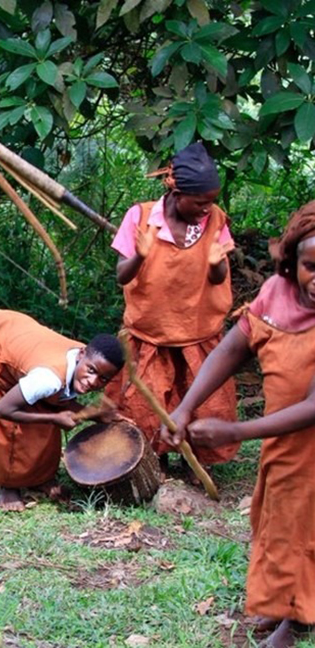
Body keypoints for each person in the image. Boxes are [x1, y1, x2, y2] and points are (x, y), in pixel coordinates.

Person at [162, 201, 315, 648]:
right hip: (284, 442)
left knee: (303, 522)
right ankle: (289, 605)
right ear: (292, 262)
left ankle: (296, 618)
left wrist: (235, 432)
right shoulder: (274, 294)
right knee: (276, 516)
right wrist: (186, 407)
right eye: (310, 266)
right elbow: (232, 349)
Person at [105, 142, 238, 474]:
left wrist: (216, 264)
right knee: (144, 407)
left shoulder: (215, 220)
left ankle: (195, 464)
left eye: (211, 200)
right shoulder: (140, 217)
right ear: (177, 193)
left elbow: (219, 275)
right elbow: (123, 275)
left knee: (206, 402)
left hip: (199, 331)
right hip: (152, 331)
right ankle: (155, 461)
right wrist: (140, 255)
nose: (207, 208)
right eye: (200, 202)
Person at [0, 309, 124, 511]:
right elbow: (2, 410)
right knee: (2, 427)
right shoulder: (47, 378)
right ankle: (6, 484)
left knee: (42, 408)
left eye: (103, 379)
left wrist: (94, 414)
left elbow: (57, 399)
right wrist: (54, 418)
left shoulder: (82, 358)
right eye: (91, 371)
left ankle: (36, 477)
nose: (93, 381)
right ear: (82, 354)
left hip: (9, 331)